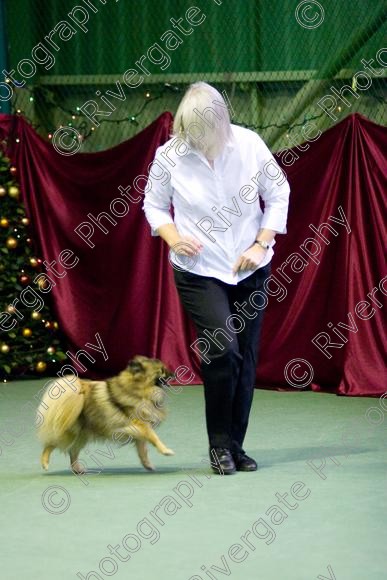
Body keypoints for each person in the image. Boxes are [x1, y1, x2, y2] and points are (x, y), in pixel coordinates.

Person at [142, 81, 290, 475]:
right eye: (189, 132)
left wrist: (261, 244)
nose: (196, 140)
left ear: (222, 122)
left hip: (250, 267)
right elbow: (154, 206)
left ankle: (236, 448)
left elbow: (279, 194)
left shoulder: (249, 145)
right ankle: (218, 447)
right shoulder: (169, 155)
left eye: (203, 131)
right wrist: (174, 238)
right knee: (222, 351)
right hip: (198, 272)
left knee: (246, 359)